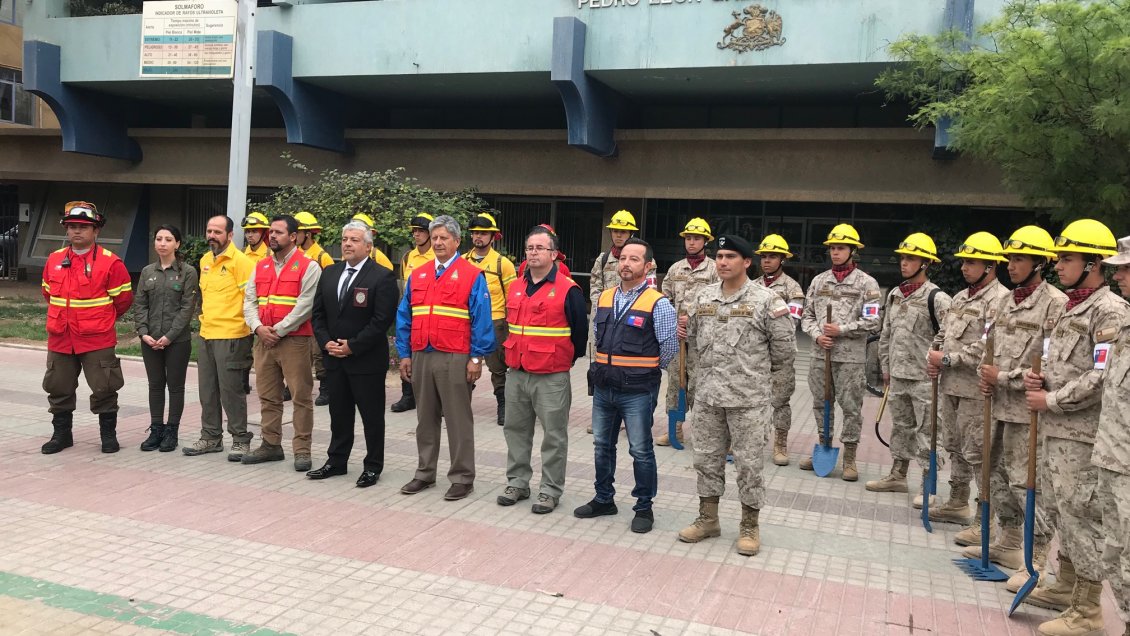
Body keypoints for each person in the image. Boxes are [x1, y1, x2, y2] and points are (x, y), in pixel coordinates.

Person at [1019, 220, 1126, 632]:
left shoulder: (1109, 310)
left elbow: (1101, 377)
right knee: (1062, 510)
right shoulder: (1070, 305)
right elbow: (1058, 360)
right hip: (1057, 430)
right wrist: (1039, 378)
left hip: (1081, 433)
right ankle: (1065, 585)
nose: (1058, 265)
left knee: (1082, 515)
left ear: (1093, 264)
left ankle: (1087, 609)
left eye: (1067, 258)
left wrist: (1053, 399)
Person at [676, 235, 795, 555]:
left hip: (748, 401)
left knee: (749, 465)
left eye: (730, 256)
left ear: (746, 262)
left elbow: (784, 351)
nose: (723, 262)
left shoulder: (767, 300)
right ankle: (708, 518)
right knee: (705, 459)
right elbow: (696, 341)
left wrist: (753, 378)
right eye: (719, 256)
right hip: (709, 398)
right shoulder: (702, 297)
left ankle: (749, 525)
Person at [962, 226, 1067, 579]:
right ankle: (1007, 540)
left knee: (1027, 480)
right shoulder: (1002, 302)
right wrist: (985, 374)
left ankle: (1035, 553)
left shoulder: (1056, 304)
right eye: (1010, 258)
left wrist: (1004, 378)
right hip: (997, 406)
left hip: (1027, 411)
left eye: (1019, 259)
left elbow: (1052, 365)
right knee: (994, 472)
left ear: (1040, 263)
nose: (1011, 265)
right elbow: (986, 347)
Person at [576, 238, 677, 534]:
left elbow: (669, 346)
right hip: (605, 387)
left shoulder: (658, 303)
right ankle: (604, 498)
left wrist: (641, 370)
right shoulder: (605, 297)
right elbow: (597, 335)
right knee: (601, 446)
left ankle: (644, 507)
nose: (626, 264)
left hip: (637, 390)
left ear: (648, 267)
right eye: (623, 259)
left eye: (634, 260)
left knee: (641, 449)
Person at [395, 215, 496, 501]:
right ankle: (424, 473)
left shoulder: (472, 275)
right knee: (425, 418)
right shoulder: (420, 273)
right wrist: (404, 354)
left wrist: (476, 358)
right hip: (421, 354)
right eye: (434, 237)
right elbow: (405, 315)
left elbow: (482, 319)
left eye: (443, 238)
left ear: (456, 241)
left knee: (457, 419)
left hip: (455, 355)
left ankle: (463, 477)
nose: (438, 242)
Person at [497, 225, 588, 514]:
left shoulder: (568, 289)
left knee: (554, 436)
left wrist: (563, 361)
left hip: (551, 376)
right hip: (517, 372)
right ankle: (518, 482)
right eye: (530, 248)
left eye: (540, 248)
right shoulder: (516, 286)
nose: (533, 253)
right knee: (515, 431)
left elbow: (579, 334)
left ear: (553, 254)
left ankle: (549, 490)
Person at [925, 232, 1011, 537]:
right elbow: (943, 334)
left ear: (990, 266)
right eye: (963, 262)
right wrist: (933, 355)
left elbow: (987, 346)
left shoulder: (1000, 301)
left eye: (972, 262)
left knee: (980, 453)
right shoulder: (961, 297)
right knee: (955, 446)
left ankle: (983, 518)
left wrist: (946, 359)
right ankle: (957, 501)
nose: (965, 268)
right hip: (950, 387)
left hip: (976, 390)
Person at [307, 221, 399, 487]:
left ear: (368, 246)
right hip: (334, 359)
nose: (347, 244)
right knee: (339, 413)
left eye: (354, 240)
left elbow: (382, 321)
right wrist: (326, 344)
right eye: (345, 238)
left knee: (371, 416)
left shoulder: (382, 276)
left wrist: (353, 346)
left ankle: (372, 466)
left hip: (365, 361)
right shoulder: (330, 273)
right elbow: (318, 314)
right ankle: (336, 461)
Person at [39, 201, 134, 455]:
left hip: (97, 339)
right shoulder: (54, 260)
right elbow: (48, 293)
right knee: (58, 388)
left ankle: (108, 437)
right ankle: (61, 435)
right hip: (61, 337)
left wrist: (98, 320)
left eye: (83, 227)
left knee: (104, 387)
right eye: (71, 227)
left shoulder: (111, 263)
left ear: (96, 231)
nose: (76, 231)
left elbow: (123, 300)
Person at [868, 233, 952, 504]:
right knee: (901, 427)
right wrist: (886, 368)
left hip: (924, 380)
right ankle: (897, 474)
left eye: (911, 258)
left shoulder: (938, 299)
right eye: (903, 257)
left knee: (928, 431)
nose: (904, 263)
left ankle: (928, 483)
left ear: (925, 263)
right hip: (898, 376)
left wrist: (941, 365)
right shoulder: (895, 294)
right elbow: (886, 334)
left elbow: (950, 339)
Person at [798, 223, 881, 480]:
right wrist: (817, 335)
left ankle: (850, 457)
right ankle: (823, 446)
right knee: (821, 405)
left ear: (853, 251)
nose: (835, 252)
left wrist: (841, 329)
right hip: (820, 355)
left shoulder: (867, 284)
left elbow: (873, 321)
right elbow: (806, 315)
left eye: (841, 248)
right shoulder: (819, 280)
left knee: (851, 407)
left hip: (850, 359)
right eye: (832, 248)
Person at [240, 215, 322, 472]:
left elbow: (305, 305)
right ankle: (271, 444)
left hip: (294, 341)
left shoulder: (308, 266)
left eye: (278, 232)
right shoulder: (261, 266)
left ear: (294, 237)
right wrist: (257, 327)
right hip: (263, 340)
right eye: (271, 232)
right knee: (268, 397)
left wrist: (278, 330)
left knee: (301, 397)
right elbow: (249, 301)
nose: (272, 236)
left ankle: (302, 450)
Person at [185, 215, 256, 460]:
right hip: (207, 334)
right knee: (207, 391)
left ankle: (240, 439)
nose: (212, 236)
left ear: (230, 235)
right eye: (209, 231)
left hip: (233, 336)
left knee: (231, 391)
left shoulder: (242, 262)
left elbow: (251, 300)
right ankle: (211, 437)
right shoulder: (206, 260)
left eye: (217, 232)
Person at [585, 209, 655, 434]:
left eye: (623, 231)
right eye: (615, 230)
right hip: (605, 319)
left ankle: (629, 414)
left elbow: (650, 291)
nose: (618, 235)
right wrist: (600, 304)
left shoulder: (644, 259)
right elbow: (595, 283)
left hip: (632, 322)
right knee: (599, 365)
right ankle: (601, 411)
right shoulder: (604, 258)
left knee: (628, 366)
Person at [1093, 235, 1130, 636]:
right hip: (1113, 458)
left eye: (1125, 268)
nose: (1117, 274)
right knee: (1116, 555)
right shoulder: (1125, 328)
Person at [134, 224, 199, 453]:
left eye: (168, 239)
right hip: (150, 340)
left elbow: (186, 308)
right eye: (159, 238)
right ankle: (156, 429)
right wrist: (143, 333)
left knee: (175, 387)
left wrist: (169, 336)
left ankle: (172, 431)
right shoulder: (147, 272)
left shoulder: (187, 272)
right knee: (155, 385)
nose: (162, 243)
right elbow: (140, 304)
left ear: (177, 244)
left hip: (177, 341)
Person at [656, 218, 718, 447]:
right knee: (675, 383)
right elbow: (665, 298)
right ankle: (675, 429)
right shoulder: (675, 269)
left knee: (699, 386)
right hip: (678, 337)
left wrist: (692, 317)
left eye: (697, 239)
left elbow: (718, 301)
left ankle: (702, 431)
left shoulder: (714, 270)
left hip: (703, 339)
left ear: (705, 241)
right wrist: (675, 321)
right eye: (689, 238)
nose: (692, 243)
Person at [754, 233, 805, 465]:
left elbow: (791, 322)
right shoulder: (751, 286)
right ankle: (750, 441)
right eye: (764, 256)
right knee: (751, 400)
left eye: (772, 256)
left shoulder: (792, 288)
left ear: (782, 259)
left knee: (780, 401)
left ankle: (780, 445)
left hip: (781, 357)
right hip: (754, 356)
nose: (766, 261)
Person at [463, 212, 517, 425]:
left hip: (496, 321)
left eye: (483, 233)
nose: (478, 237)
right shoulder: (462, 262)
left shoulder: (502, 264)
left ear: (493, 236)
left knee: (498, 367)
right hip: (468, 321)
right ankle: (459, 404)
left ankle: (503, 406)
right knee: (464, 365)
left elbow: (512, 298)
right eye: (475, 233)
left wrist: (510, 326)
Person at [391, 212, 436, 413]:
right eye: (414, 231)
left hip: (432, 312)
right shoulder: (408, 257)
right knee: (406, 349)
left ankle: (435, 399)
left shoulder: (437, 255)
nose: (416, 235)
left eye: (421, 231)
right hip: (411, 310)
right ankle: (408, 395)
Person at [294, 211, 335, 406]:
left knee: (319, 353)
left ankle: (325, 389)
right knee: (297, 353)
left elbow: (330, 286)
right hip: (298, 312)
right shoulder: (294, 255)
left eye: (298, 232)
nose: (294, 236)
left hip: (317, 313)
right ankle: (293, 388)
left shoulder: (322, 256)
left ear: (308, 234)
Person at [240, 211, 271, 394]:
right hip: (244, 308)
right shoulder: (241, 254)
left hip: (264, 309)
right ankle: (243, 382)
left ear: (263, 232)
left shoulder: (269, 254)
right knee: (244, 347)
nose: (250, 235)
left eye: (254, 231)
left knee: (265, 349)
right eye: (247, 231)